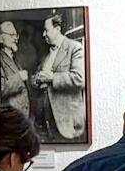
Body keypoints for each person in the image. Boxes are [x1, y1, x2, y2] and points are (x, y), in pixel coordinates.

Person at [29, 13, 88, 141]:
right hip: (46, 122)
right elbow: (36, 77)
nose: (44, 34)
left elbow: (79, 79)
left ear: (57, 29)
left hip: (67, 124)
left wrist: (52, 77)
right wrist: (36, 79)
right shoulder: (46, 55)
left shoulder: (75, 48)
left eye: (46, 30)